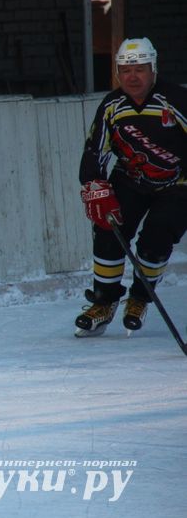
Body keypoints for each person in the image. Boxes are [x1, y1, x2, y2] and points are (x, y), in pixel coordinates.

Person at [75, 37, 187, 337]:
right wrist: (94, 184)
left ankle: (140, 298)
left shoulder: (175, 100)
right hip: (130, 180)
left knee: (156, 238)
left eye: (139, 69)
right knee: (109, 231)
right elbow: (94, 150)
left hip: (177, 183)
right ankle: (104, 301)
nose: (132, 77)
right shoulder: (112, 105)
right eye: (126, 70)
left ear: (154, 69)